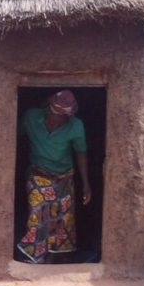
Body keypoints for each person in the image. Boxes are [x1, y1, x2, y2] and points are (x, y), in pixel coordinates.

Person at [16, 89, 91, 264]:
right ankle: (34, 257)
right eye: (61, 116)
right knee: (38, 212)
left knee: (63, 220)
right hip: (38, 174)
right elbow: (14, 137)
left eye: (67, 116)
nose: (63, 120)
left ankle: (53, 258)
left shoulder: (75, 126)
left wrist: (86, 183)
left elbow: (81, 152)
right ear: (50, 110)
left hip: (64, 177)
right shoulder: (31, 118)